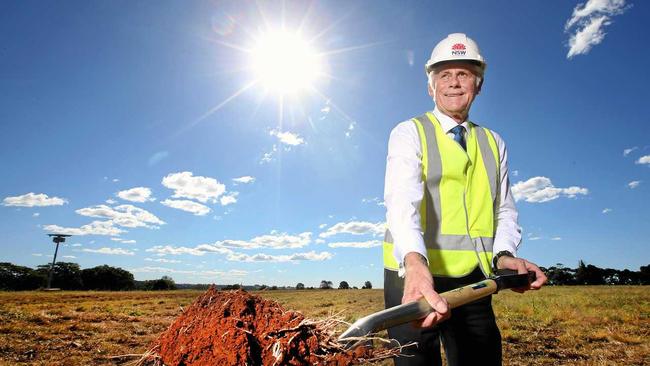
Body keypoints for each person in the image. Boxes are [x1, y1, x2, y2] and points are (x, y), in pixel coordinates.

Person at [382, 33, 547, 366]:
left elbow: (503, 208)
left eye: (464, 74)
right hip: (414, 274)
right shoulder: (409, 132)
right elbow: (402, 202)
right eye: (444, 75)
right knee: (415, 362)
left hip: (473, 280)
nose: (454, 83)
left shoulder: (493, 142)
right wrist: (414, 265)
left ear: (479, 85)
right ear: (431, 87)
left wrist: (504, 255)